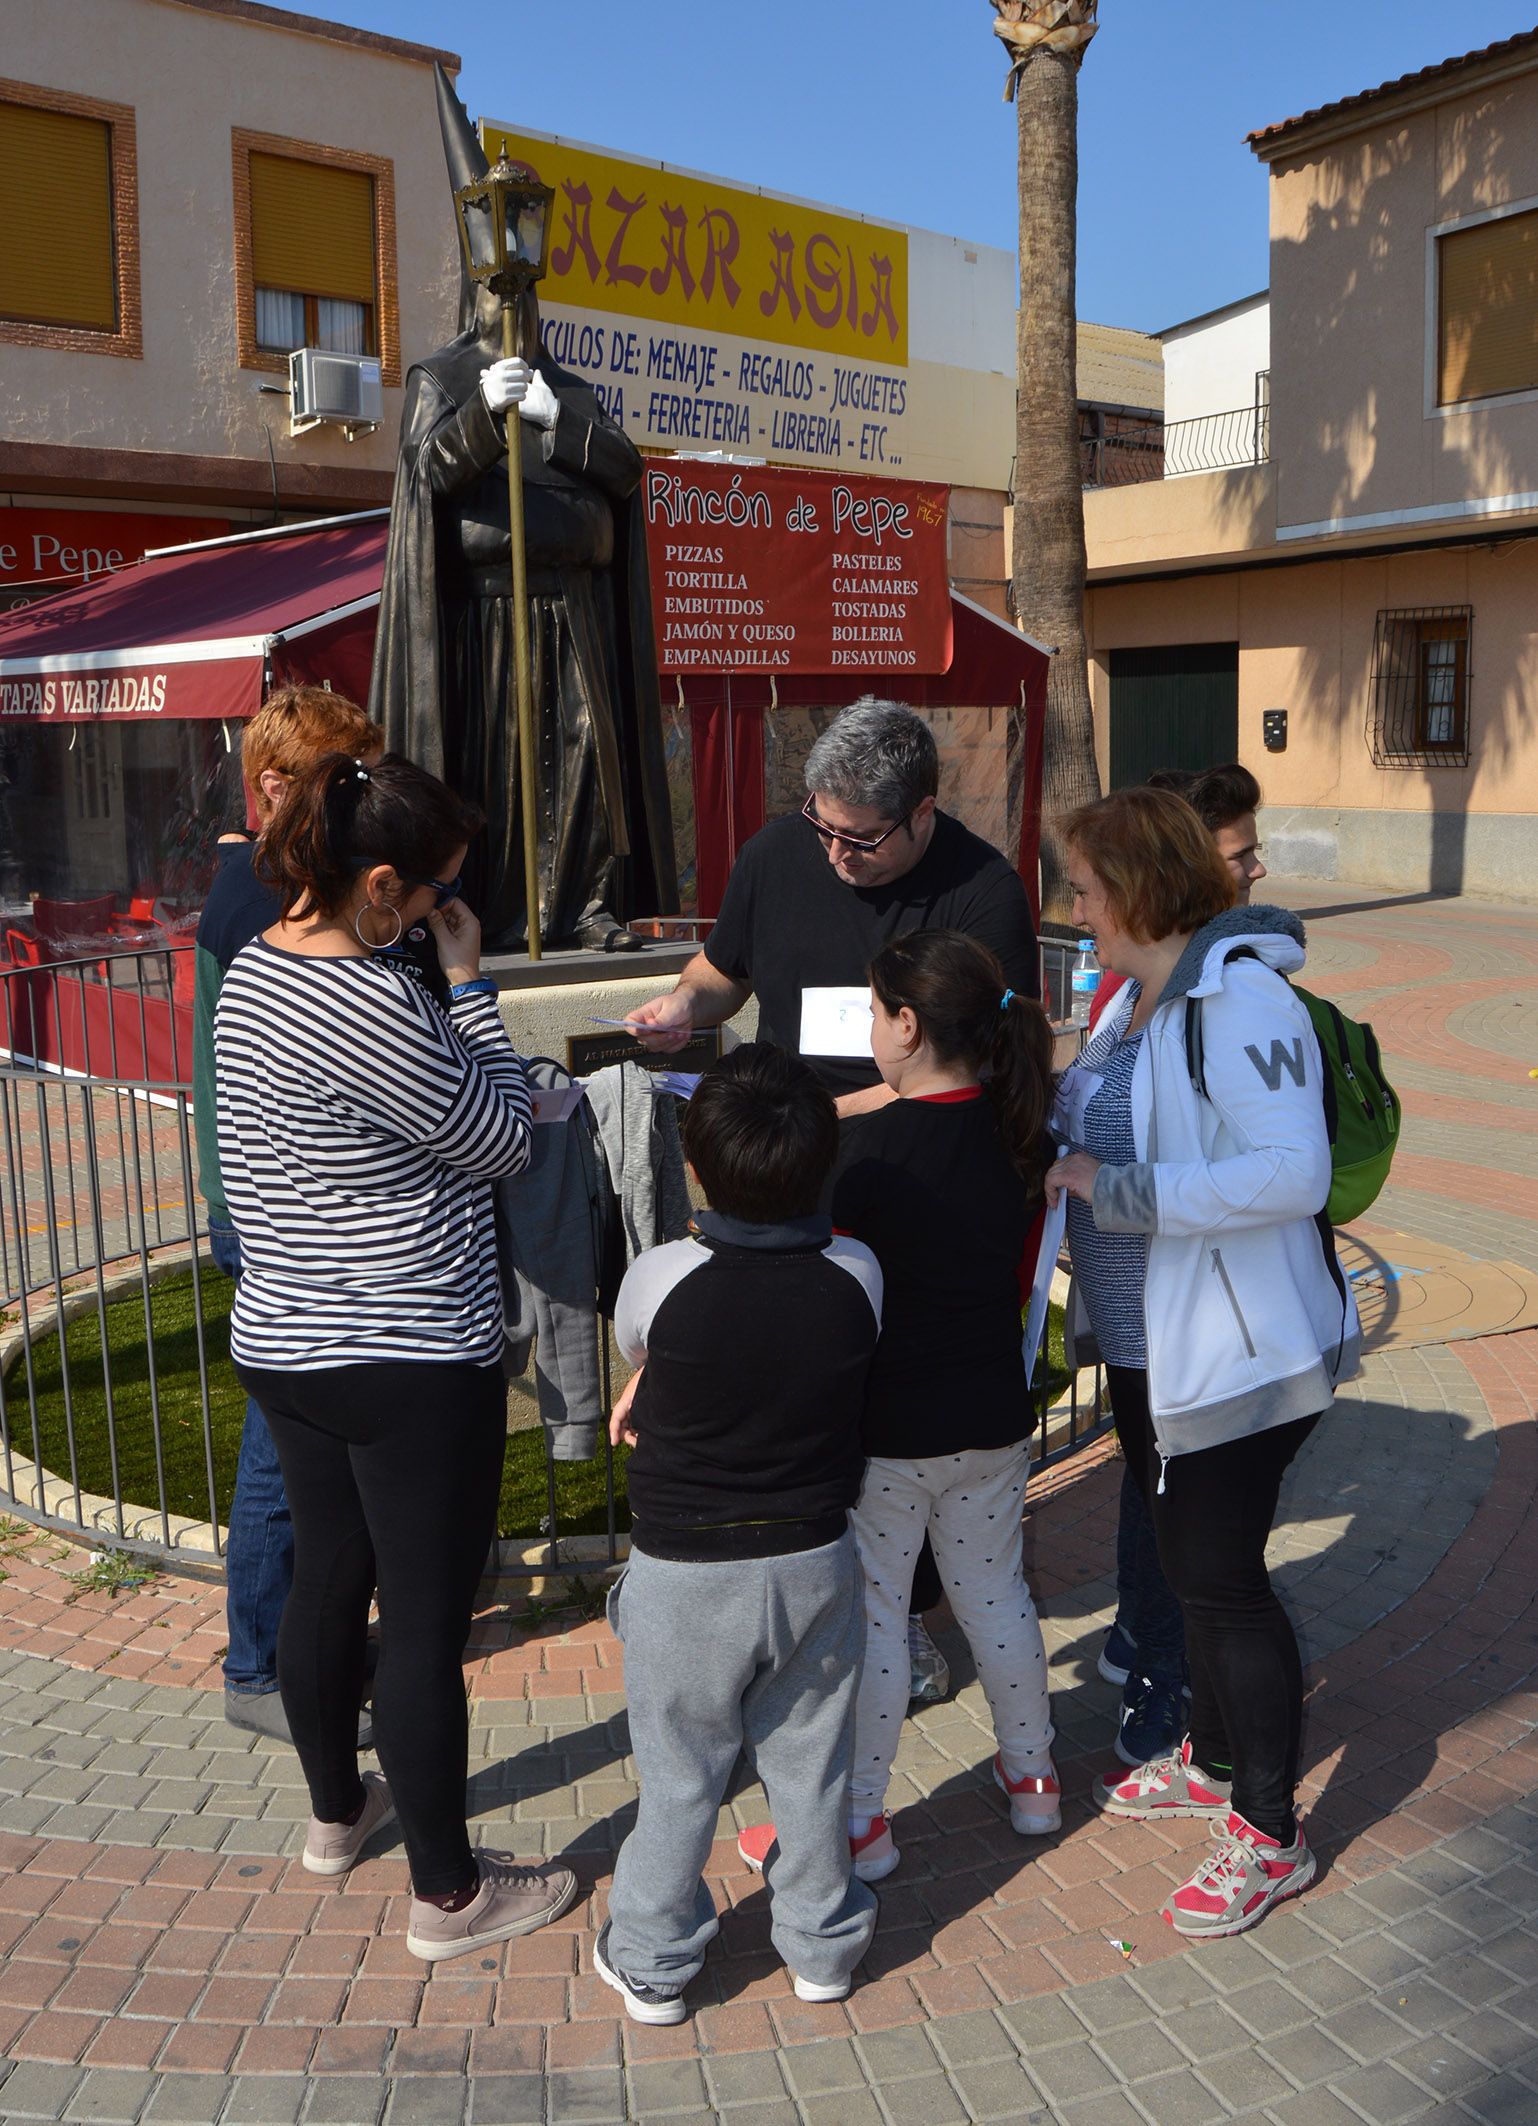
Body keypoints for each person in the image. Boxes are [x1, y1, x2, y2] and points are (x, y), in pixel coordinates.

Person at [214, 751, 577, 1960]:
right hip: (408, 1351)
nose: (438, 916)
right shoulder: (370, 1000)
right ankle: (449, 1893)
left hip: (286, 1338)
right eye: (429, 898)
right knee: (422, 1621)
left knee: (326, 1577)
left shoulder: (259, 964)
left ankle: (335, 1817)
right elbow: (495, 1139)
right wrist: (467, 986)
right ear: (379, 885)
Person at [628, 698, 1040, 1701]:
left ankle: (900, 1614)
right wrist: (680, 1007)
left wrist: (826, 1116)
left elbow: (980, 1064)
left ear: (921, 814)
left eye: (859, 838)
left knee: (892, 1417)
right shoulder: (779, 852)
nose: (836, 853)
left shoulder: (983, 889)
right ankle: (810, 1596)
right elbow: (723, 973)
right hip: (781, 1175)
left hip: (902, 1184)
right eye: (822, 827)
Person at [1046, 787, 1359, 1938]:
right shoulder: (1137, 994)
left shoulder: (1235, 998)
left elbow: (1292, 1174)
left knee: (1221, 1582)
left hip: (1239, 1353)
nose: (1070, 906)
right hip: (1157, 1344)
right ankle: (1218, 1757)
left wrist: (1116, 1190)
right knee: (1190, 1571)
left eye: (1081, 885)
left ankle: (1269, 1832)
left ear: (1131, 887)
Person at [737, 929, 1060, 1887]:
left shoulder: (864, 1160)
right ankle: (1035, 1777)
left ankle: (858, 1823)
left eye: (877, 1013)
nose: (871, 1027)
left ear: (907, 1026)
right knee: (996, 1596)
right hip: (992, 1414)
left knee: (875, 1624)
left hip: (887, 1431)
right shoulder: (1019, 1137)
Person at [594, 1045, 883, 2023]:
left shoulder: (658, 1275)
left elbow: (654, 1344)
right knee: (809, 1764)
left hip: (686, 1567)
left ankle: (652, 1959)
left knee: (680, 1775)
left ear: (695, 1163)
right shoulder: (858, 1270)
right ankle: (822, 1949)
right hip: (814, 1558)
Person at [368, 67, 676, 952]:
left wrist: (551, 418)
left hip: (572, 612)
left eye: (525, 291)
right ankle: (499, 915)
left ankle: (584, 907)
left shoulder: (567, 388)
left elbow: (627, 472)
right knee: (499, 774)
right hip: (483, 625)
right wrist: (479, 418)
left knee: (585, 762)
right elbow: (422, 478)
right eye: (500, 291)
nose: (514, 303)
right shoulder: (443, 377)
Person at [193, 684, 385, 1744]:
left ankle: (291, 1647)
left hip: (267, 1206)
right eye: (338, 782)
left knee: (299, 1442)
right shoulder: (261, 895)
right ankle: (261, 1663)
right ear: (276, 789)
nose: (355, 803)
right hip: (274, 1216)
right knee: (283, 1449)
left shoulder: (261, 881)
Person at [1091, 762, 1268, 1768]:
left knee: (1182, 1506)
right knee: (1144, 1481)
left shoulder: (1223, 986)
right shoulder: (1135, 978)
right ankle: (1145, 1637)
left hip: (1191, 1310)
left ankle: (1176, 1680)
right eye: (1238, 852)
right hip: (1136, 1311)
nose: (1255, 868)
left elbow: (1259, 1164)